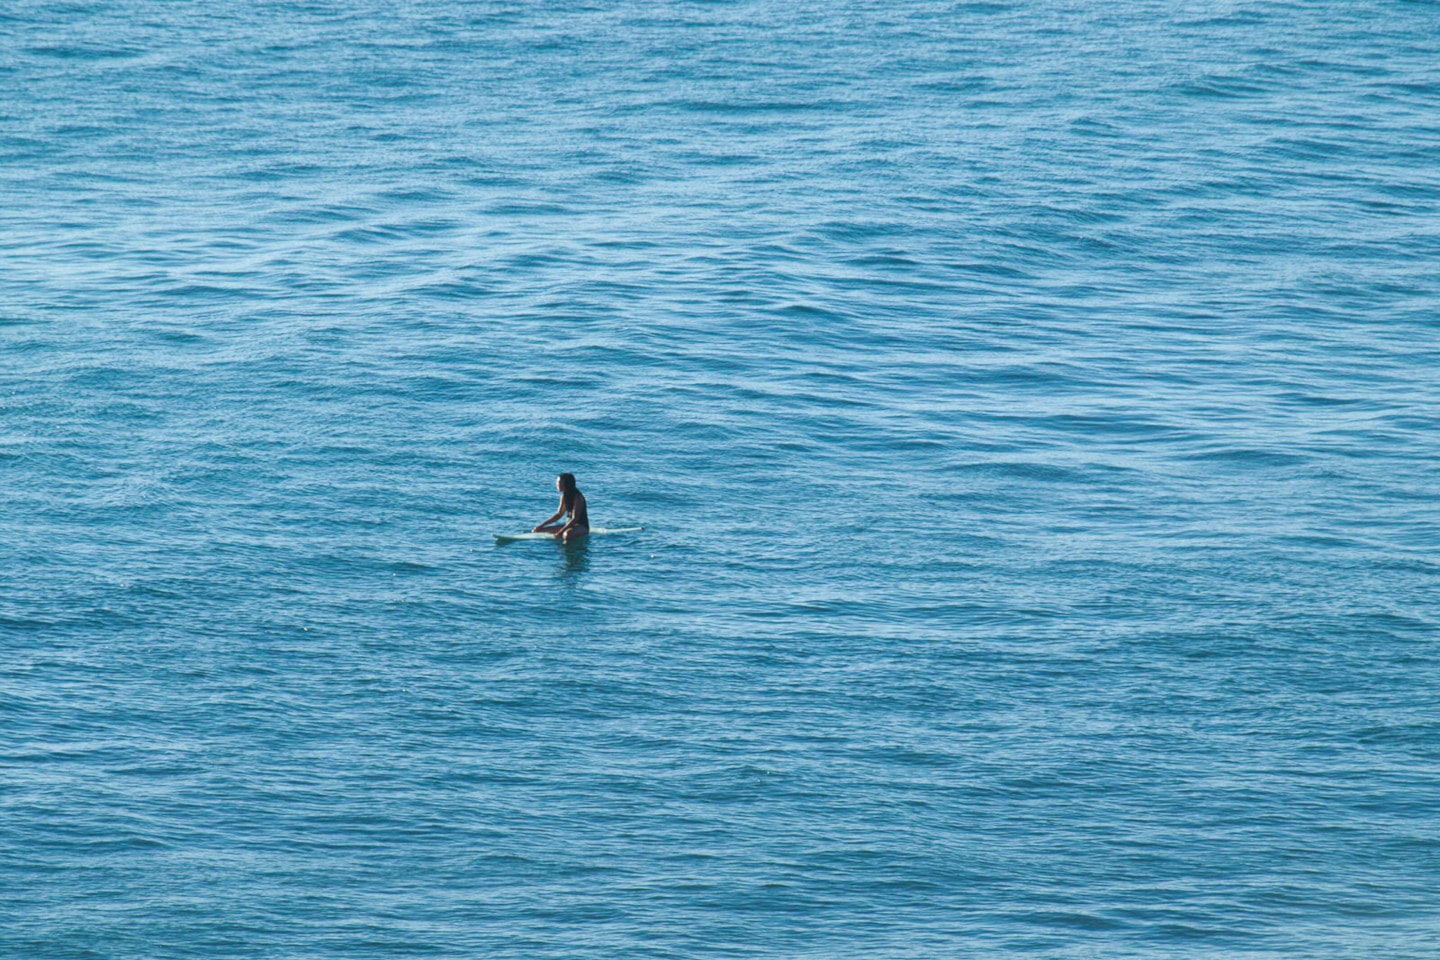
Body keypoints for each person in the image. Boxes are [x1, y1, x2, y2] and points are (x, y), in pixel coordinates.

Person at [532, 472, 589, 542]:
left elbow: (575, 518)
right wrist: (541, 526)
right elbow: (559, 515)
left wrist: (560, 532)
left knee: (566, 534)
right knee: (539, 531)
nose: (557, 484)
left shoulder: (578, 497)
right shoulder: (564, 496)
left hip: (581, 527)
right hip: (569, 525)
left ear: (566, 484)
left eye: (559, 482)